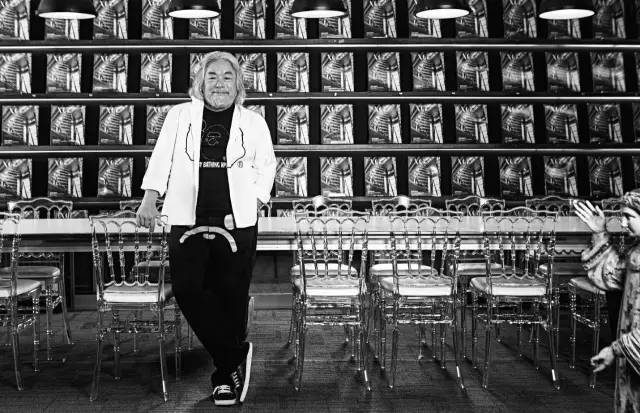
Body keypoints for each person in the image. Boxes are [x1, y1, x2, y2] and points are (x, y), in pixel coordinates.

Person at [136, 51, 276, 406]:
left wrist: (254, 203)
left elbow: (267, 167)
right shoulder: (179, 115)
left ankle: (223, 378)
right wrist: (149, 199)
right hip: (187, 218)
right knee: (187, 289)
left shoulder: (254, 122)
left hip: (236, 221)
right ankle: (235, 355)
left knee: (231, 297)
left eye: (228, 77)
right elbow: (162, 158)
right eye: (212, 76)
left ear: (238, 84)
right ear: (200, 82)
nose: (219, 83)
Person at [574, 191, 640, 413]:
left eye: (629, 217)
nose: (623, 223)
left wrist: (616, 349)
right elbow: (613, 275)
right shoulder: (636, 252)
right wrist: (600, 233)